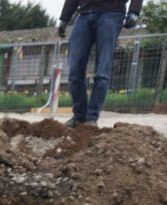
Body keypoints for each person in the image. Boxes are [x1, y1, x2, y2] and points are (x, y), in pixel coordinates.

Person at [58, 0, 141, 128]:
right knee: (74, 71)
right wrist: (64, 17)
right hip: (83, 15)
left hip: (111, 13)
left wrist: (134, 11)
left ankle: (91, 118)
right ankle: (79, 116)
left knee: (102, 71)